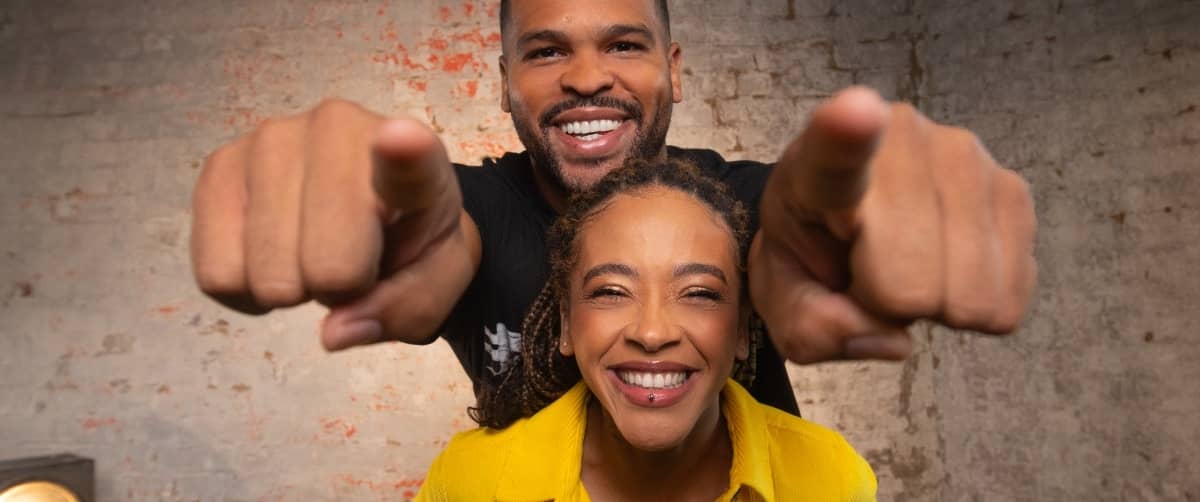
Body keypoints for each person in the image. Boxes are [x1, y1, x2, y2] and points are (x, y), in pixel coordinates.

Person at [190, 0, 1036, 414]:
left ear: (673, 67)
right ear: (506, 83)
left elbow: (793, 215)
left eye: (623, 46)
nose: (588, 78)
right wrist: (372, 216)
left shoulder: (737, 202)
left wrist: (870, 213)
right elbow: (438, 226)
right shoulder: (471, 212)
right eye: (547, 50)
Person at [417, 159, 876, 501]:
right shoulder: (469, 481)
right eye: (612, 291)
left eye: (699, 293)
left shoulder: (831, 480)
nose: (652, 332)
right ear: (566, 323)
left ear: (741, 330)